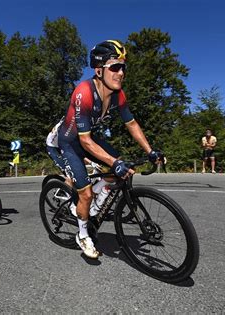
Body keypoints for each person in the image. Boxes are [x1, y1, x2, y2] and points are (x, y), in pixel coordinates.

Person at [56, 40, 163, 259]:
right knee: (85, 193)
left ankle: (99, 196)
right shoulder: (83, 93)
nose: (121, 72)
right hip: (70, 142)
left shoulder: (118, 95)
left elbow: (131, 124)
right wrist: (113, 162)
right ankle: (83, 235)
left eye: (123, 67)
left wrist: (150, 150)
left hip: (89, 138)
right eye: (115, 67)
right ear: (98, 70)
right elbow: (84, 142)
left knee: (121, 168)